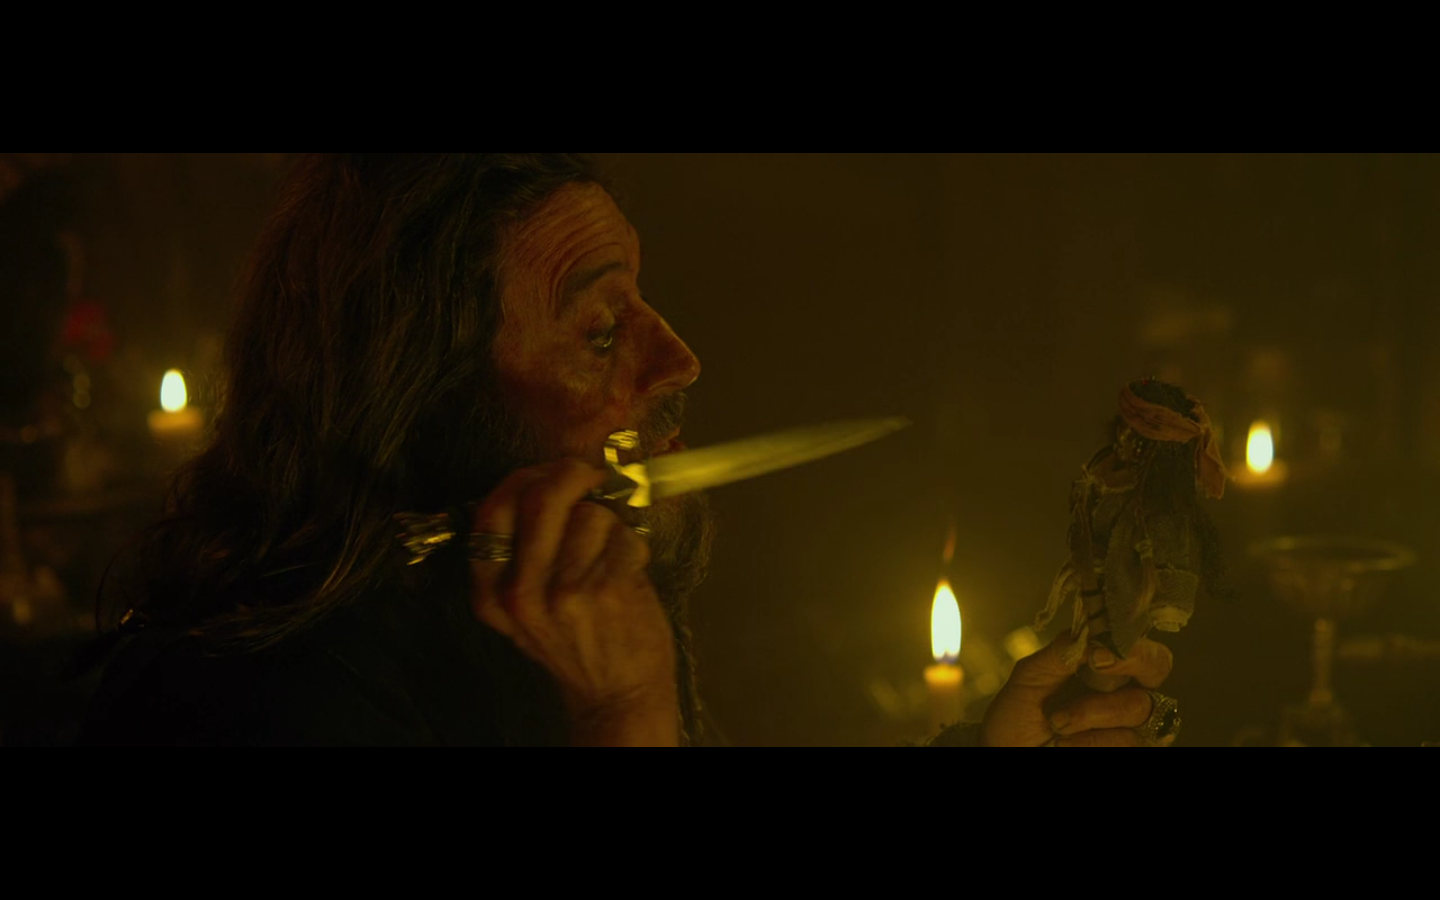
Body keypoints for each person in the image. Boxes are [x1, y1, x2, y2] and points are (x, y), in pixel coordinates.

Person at [79, 153, 1175, 747]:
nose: (679, 361)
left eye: (643, 303)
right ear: (411, 398)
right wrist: (625, 721)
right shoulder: (254, 708)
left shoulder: (511, 613)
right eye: (601, 331)